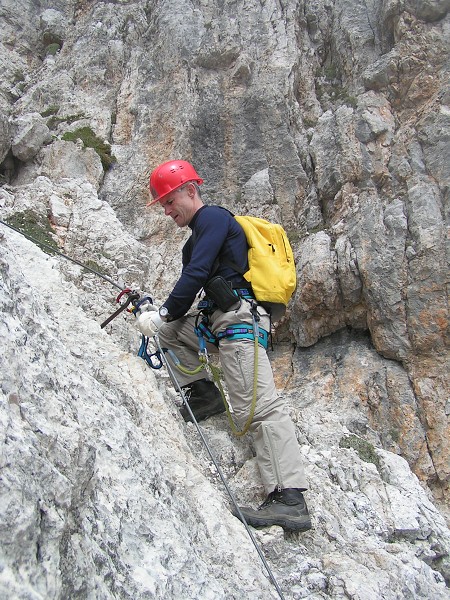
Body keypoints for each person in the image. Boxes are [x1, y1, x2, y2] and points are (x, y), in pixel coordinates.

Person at [135, 159, 311, 532]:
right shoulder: (195, 240)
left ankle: (290, 498)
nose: (167, 211)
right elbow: (193, 280)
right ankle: (202, 394)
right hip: (218, 321)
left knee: (258, 407)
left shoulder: (212, 218)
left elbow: (197, 276)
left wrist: (163, 313)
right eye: (163, 205)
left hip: (238, 323)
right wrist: (164, 321)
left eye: (170, 201)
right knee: (169, 334)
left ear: (190, 191)